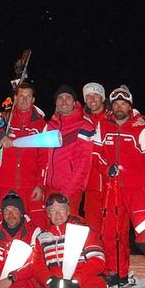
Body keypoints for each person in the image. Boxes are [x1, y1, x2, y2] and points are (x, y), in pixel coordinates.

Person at [5, 193, 113, 288]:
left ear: (68, 211)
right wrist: (51, 281)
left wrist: (77, 281)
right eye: (53, 211)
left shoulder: (84, 232)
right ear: (48, 215)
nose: (57, 214)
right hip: (57, 285)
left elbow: (97, 260)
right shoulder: (42, 238)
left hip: (82, 280)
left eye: (61, 209)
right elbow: (37, 266)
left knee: (95, 284)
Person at [93, 85, 145, 287]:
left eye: (123, 104)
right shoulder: (103, 124)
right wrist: (105, 167)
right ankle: (117, 273)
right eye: (116, 103)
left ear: (130, 106)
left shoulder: (140, 127)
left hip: (137, 188)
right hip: (113, 186)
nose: (119, 107)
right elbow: (96, 153)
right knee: (112, 233)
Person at [0, 80, 48, 228]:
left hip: (30, 185)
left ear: (33, 100)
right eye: (21, 96)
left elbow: (44, 159)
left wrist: (40, 185)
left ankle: (36, 251)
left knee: (35, 225)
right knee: (4, 224)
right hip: (6, 183)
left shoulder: (41, 125)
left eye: (28, 96)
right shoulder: (4, 119)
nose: (24, 100)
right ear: (15, 98)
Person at [44, 84, 94, 214]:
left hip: (70, 189)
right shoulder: (50, 126)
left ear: (74, 102)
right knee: (51, 231)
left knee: (68, 228)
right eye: (60, 98)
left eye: (68, 97)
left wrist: (68, 192)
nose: (64, 101)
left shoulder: (84, 126)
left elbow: (84, 164)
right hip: (49, 188)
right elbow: (43, 157)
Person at [81, 82, 107, 233]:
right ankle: (95, 257)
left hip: (111, 183)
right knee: (93, 228)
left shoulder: (112, 116)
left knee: (112, 230)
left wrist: (139, 116)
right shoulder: (82, 119)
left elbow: (130, 115)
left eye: (96, 95)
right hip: (90, 185)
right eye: (88, 96)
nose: (92, 99)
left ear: (102, 98)